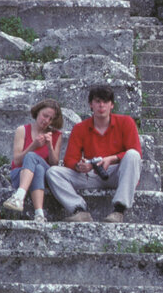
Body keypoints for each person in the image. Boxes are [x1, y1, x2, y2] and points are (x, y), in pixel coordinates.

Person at [46, 85, 141, 223]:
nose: (101, 105)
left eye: (105, 101)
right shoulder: (80, 128)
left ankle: (119, 210)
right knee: (53, 172)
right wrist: (80, 166)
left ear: (112, 105)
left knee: (133, 155)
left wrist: (112, 159)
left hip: (117, 172)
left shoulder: (126, 122)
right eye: (97, 101)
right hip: (92, 173)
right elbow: (69, 160)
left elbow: (136, 151)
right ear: (91, 105)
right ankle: (79, 210)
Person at [2, 99, 63, 223]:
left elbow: (54, 165)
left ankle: (19, 196)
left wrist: (50, 146)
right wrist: (33, 146)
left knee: (33, 159)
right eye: (45, 116)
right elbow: (17, 161)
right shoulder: (22, 130)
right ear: (38, 112)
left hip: (46, 175)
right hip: (19, 174)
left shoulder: (56, 135)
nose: (46, 121)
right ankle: (39, 214)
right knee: (35, 164)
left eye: (51, 119)